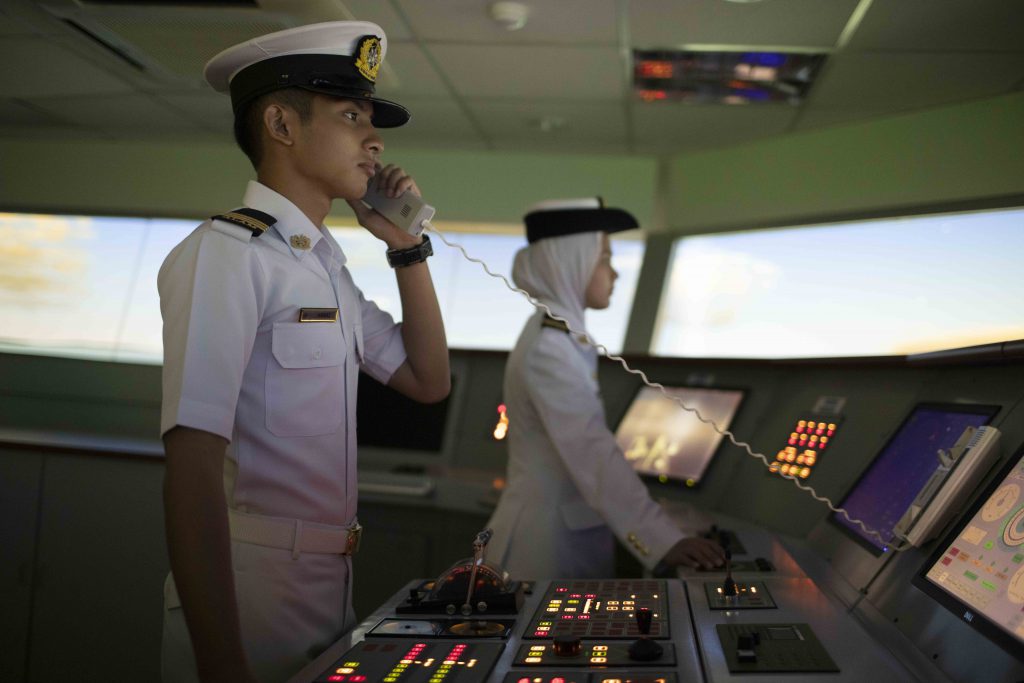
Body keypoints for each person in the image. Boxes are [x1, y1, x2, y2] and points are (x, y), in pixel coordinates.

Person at [157, 21, 449, 683]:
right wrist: (221, 660)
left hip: (330, 582)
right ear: (282, 125)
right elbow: (193, 469)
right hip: (248, 592)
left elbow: (428, 380)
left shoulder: (326, 268)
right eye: (351, 115)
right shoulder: (226, 258)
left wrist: (406, 248)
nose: (374, 140)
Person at [486, 198, 725, 579]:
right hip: (545, 548)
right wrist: (664, 539)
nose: (614, 274)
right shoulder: (551, 348)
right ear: (572, 263)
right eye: (604, 259)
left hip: (563, 534)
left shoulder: (562, 339)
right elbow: (593, 450)